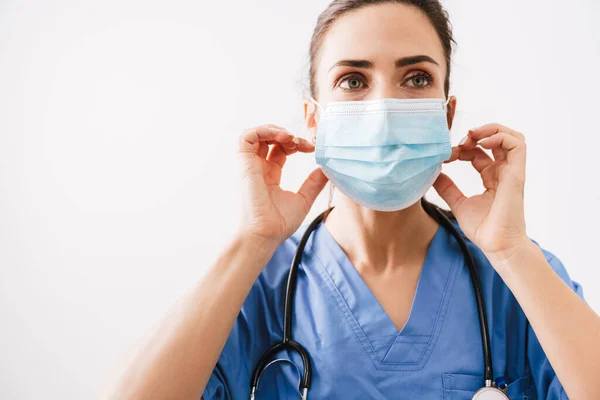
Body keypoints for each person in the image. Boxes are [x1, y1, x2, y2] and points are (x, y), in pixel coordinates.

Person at [101, 1, 600, 399]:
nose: (384, 109)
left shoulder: (514, 277)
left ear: (446, 115)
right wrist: (252, 242)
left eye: (417, 78)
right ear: (314, 120)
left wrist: (513, 252)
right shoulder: (258, 288)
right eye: (353, 81)